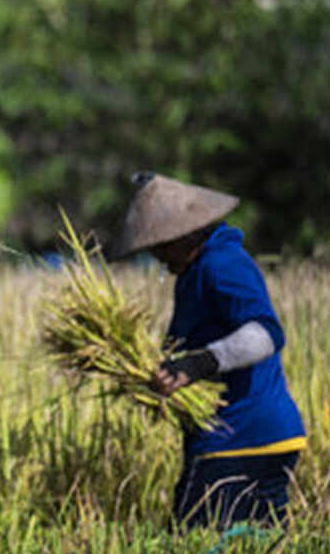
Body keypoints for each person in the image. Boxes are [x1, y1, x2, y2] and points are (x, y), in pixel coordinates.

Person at [116, 172, 306, 530]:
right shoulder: (197, 269)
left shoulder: (221, 263)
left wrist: (197, 363)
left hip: (240, 439)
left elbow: (265, 334)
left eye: (160, 245)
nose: (156, 256)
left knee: (193, 546)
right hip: (249, 438)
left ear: (184, 235)